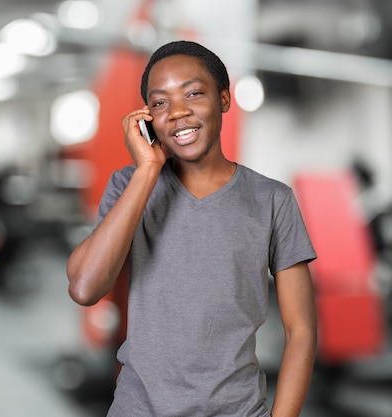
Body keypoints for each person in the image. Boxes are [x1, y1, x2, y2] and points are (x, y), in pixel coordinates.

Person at [66, 40, 317, 417]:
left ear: (224, 99)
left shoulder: (271, 199)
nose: (178, 112)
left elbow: (301, 331)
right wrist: (148, 169)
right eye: (160, 102)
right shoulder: (129, 186)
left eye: (194, 94)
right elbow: (85, 287)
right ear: (146, 117)